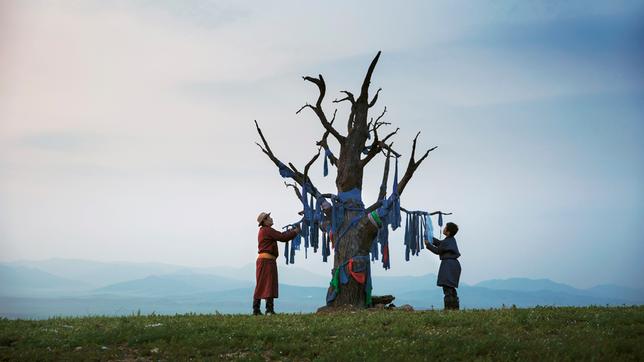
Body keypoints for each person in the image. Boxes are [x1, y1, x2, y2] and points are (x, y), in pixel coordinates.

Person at [253, 212, 300, 315]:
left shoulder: (264, 231)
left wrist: (291, 232)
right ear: (265, 221)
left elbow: (280, 235)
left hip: (266, 261)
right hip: (267, 262)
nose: (271, 218)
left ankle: (257, 309)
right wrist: (295, 232)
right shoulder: (267, 230)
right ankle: (268, 310)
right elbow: (282, 237)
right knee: (269, 284)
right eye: (269, 217)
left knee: (263, 284)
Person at [424, 222, 461, 310]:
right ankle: (455, 309)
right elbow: (440, 243)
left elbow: (438, 250)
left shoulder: (448, 241)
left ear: (448, 232)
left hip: (448, 265)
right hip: (454, 265)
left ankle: (448, 309)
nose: (444, 228)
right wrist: (429, 238)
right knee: (451, 289)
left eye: (445, 228)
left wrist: (428, 244)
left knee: (447, 289)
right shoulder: (450, 240)